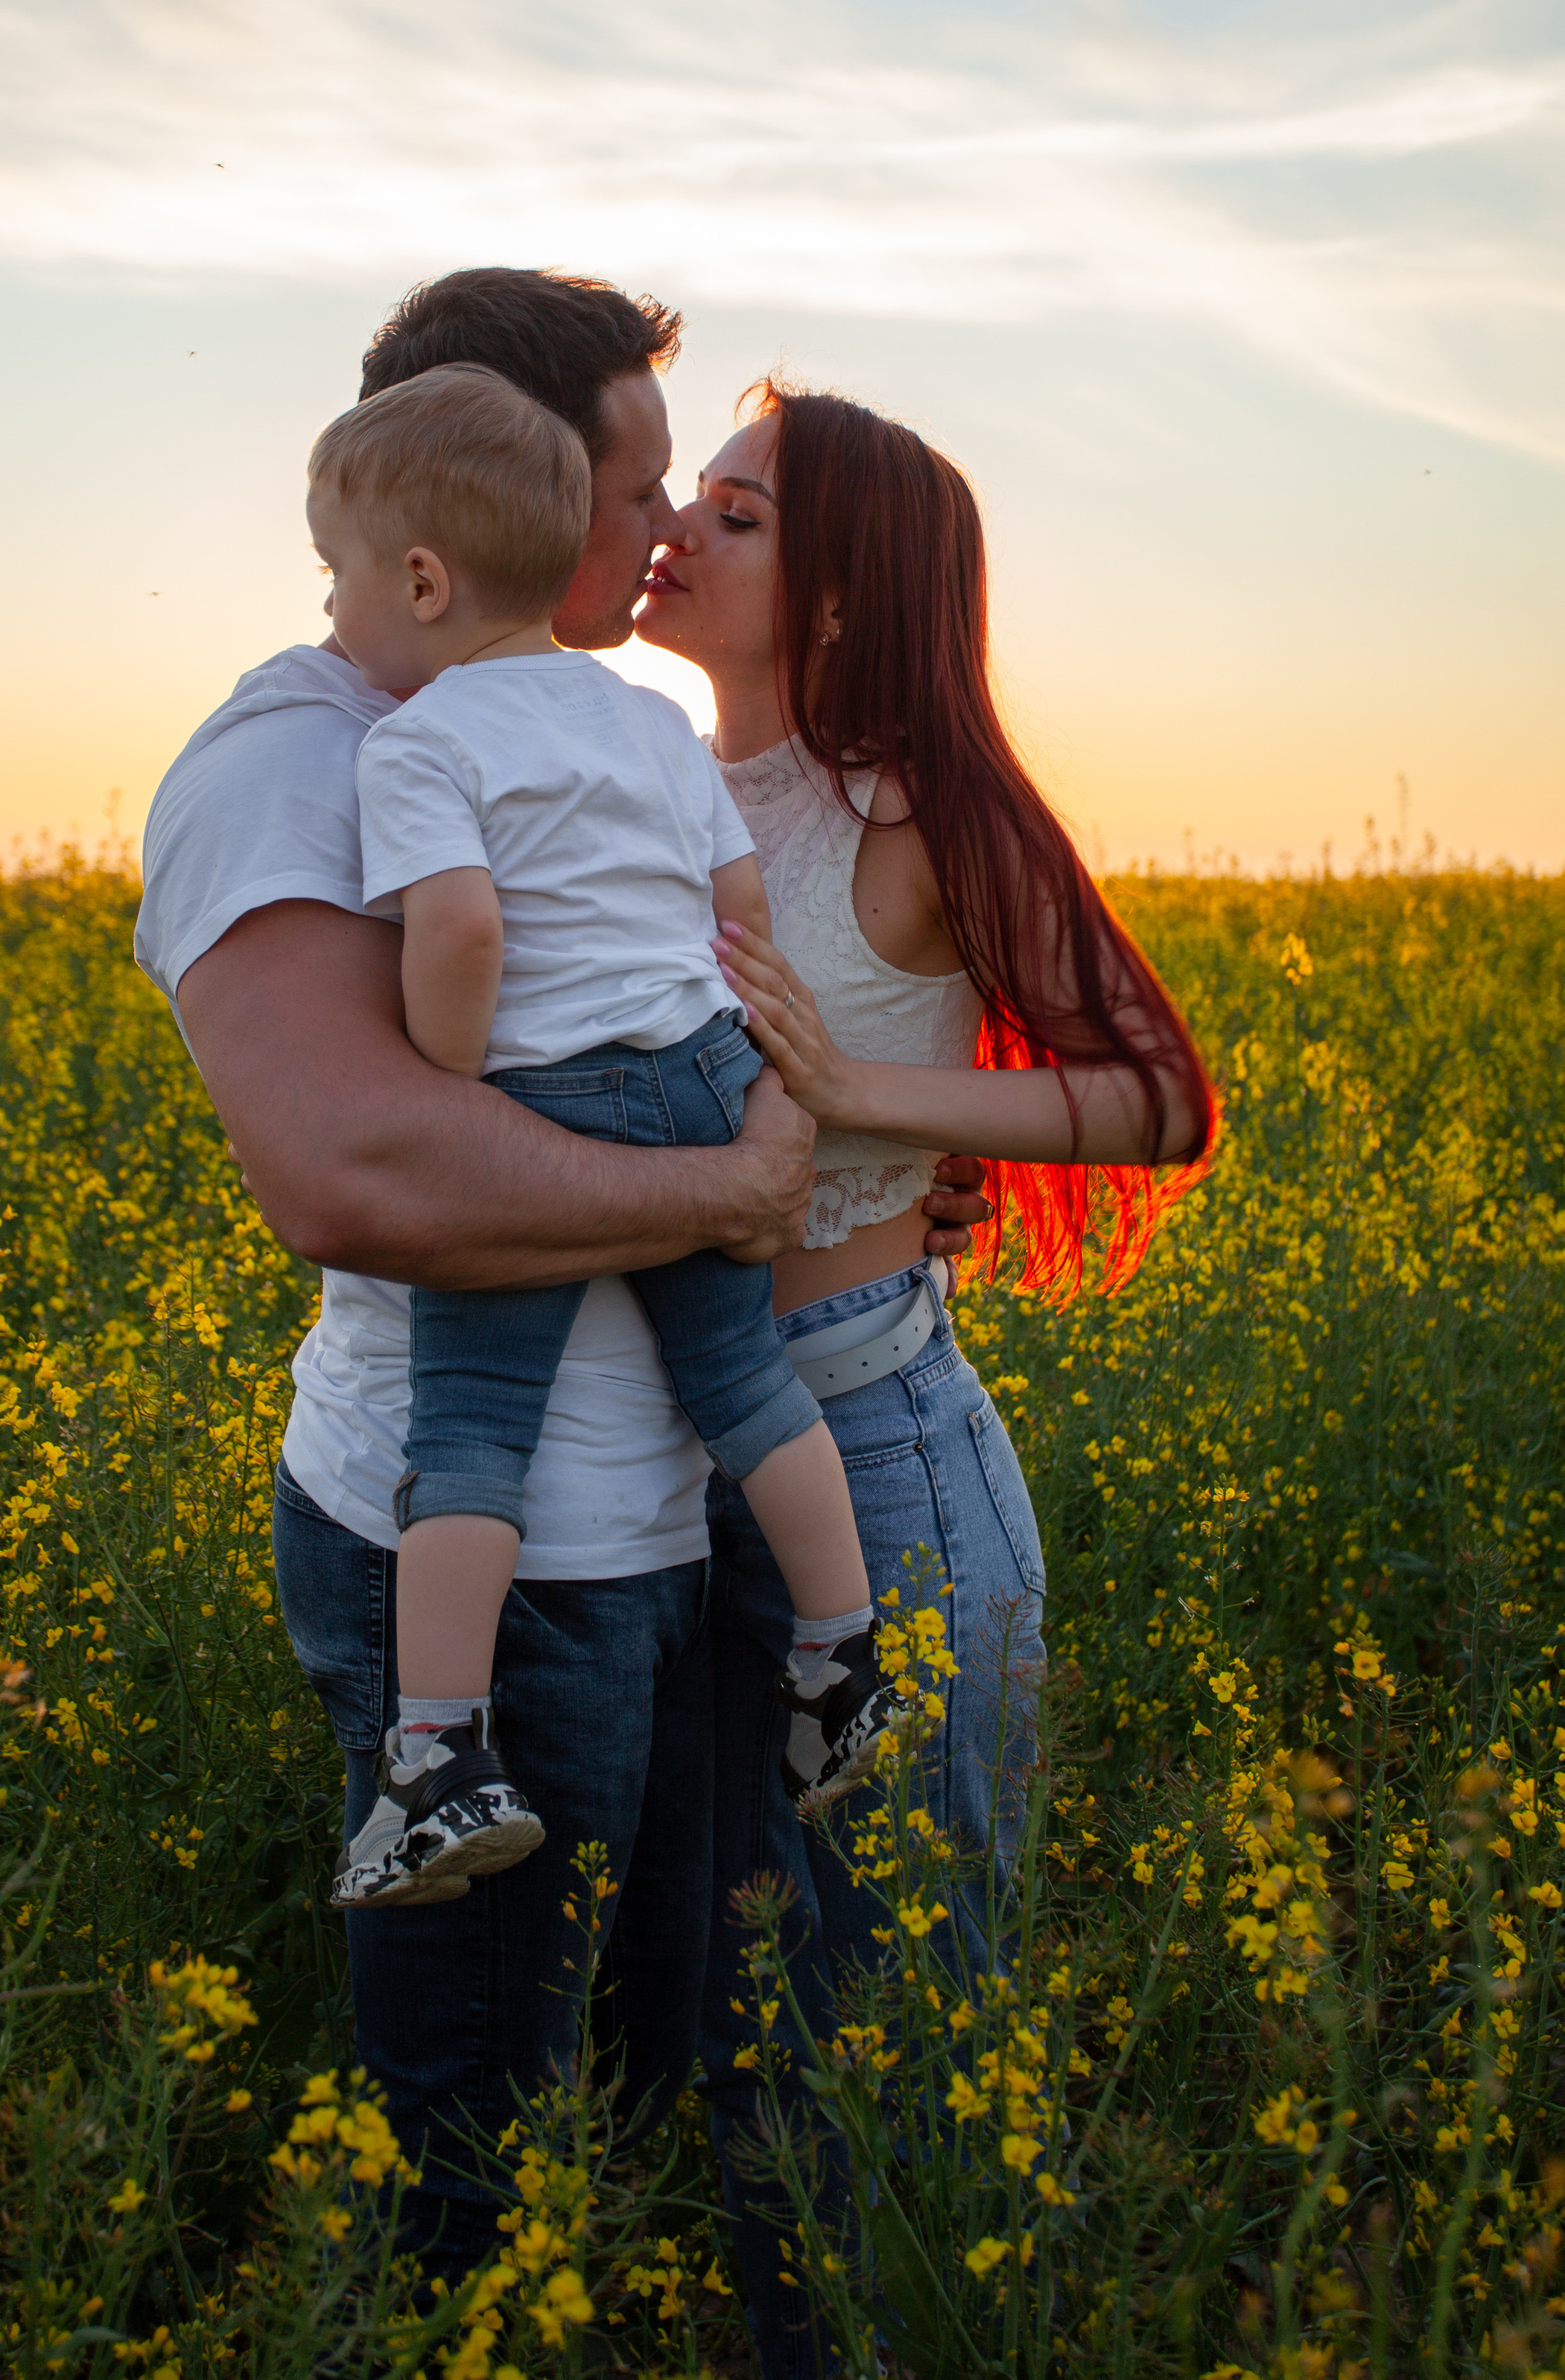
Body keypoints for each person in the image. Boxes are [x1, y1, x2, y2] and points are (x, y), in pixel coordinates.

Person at [133, 272, 988, 2283]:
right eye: (630, 489)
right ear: (483, 504)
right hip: (501, 1573)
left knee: (665, 2072)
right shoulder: (302, 751)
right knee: (485, 2143)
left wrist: (863, 1167)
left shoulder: (571, 722)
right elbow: (357, 1165)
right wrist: (733, 1186)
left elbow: (708, 981)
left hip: (657, 1535)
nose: (654, 533)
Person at [634, 378, 1215, 2379]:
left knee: (899, 2002)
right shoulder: (642, 776)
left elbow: (1155, 1094)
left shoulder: (907, 810)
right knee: (719, 2000)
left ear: (847, 588)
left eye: (733, 508)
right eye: (689, 493)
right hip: (653, 1464)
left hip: (871, 1444)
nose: (680, 527)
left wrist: (866, 1093)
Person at [305, 366, 895, 1909]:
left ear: (421, 580)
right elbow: (741, 903)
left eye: (340, 572)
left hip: (548, 1088)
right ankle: (838, 1647)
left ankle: (435, 1754)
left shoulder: (415, 745)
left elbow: (466, 932)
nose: (333, 603)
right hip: (697, 1068)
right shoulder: (642, 719)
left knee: (471, 1429)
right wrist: (739, 1041)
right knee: (740, 1380)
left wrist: (451, 1068)